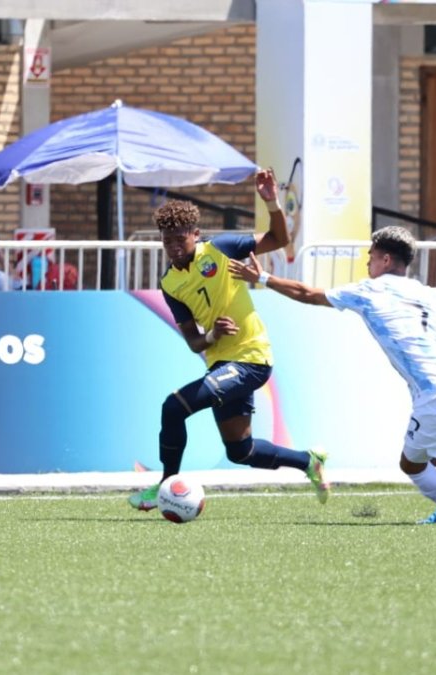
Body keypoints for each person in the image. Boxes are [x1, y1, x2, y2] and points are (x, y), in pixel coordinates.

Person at [228, 225, 436, 523]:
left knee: (412, 465)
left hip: (434, 396)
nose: (367, 264)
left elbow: (308, 294)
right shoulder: (424, 292)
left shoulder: (371, 291)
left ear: (385, 259)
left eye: (370, 257)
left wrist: (263, 279)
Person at [127, 168, 330, 511]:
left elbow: (279, 239)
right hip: (221, 363)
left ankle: (164, 486)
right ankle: (309, 461)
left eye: (180, 239)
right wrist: (213, 334)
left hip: (252, 358)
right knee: (241, 451)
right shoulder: (170, 284)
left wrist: (271, 202)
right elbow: (194, 342)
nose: (174, 247)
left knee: (173, 407)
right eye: (167, 240)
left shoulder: (221, 249)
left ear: (196, 234)